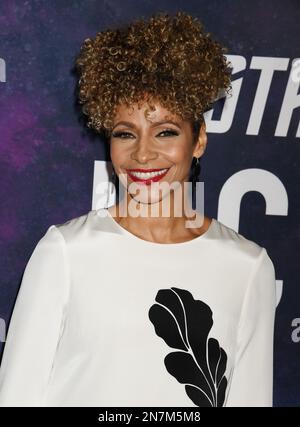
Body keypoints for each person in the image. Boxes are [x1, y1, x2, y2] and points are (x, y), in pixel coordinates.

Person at [0, 11, 276, 407]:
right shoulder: (66, 252)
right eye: (125, 133)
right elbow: (16, 398)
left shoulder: (248, 267)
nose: (143, 154)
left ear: (198, 140)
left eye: (165, 131)